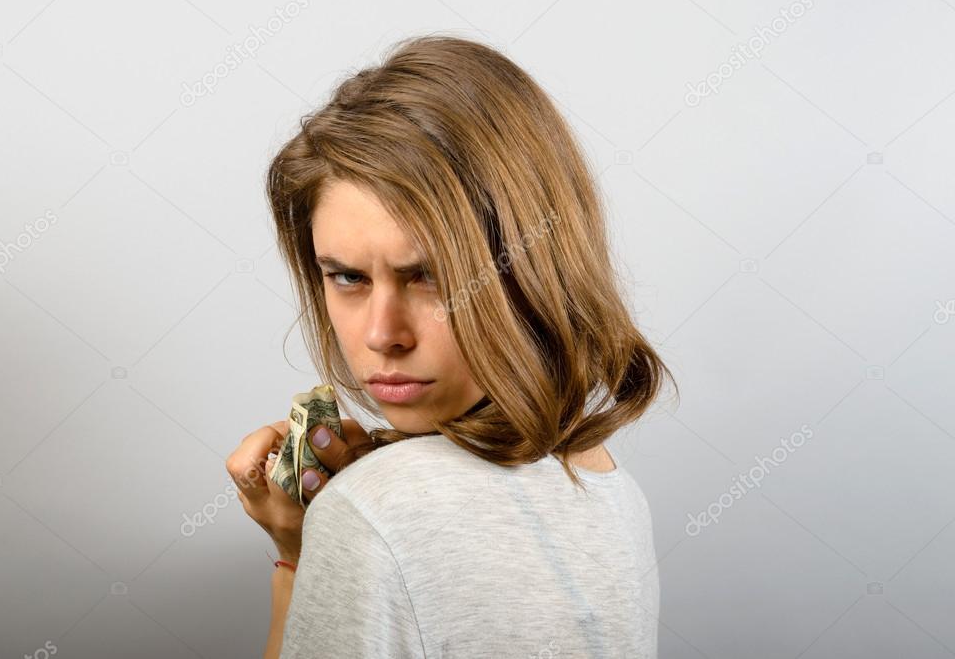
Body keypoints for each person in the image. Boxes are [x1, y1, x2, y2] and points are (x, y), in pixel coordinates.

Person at [226, 33, 678, 659]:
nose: (383, 335)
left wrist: (311, 552)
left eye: (430, 276)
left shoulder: (375, 510)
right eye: (347, 277)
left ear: (532, 268)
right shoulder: (613, 494)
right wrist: (304, 553)